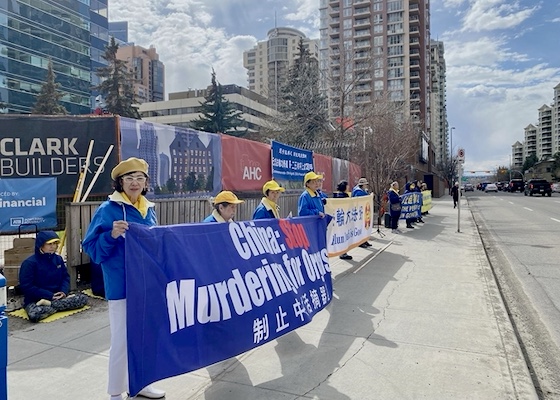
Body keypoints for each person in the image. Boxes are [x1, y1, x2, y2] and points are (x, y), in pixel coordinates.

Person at [82, 157, 165, 400]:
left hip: (147, 285)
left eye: (140, 178)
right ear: (120, 182)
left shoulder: (148, 209)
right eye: (129, 178)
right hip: (122, 285)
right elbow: (91, 247)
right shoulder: (108, 210)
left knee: (146, 336)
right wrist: (111, 234)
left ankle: (141, 384)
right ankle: (116, 392)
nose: (135, 182)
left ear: (146, 183)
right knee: (121, 340)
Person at [19, 231, 88, 322]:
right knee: (35, 314)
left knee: (82, 299)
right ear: (41, 245)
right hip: (37, 300)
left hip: (58, 297)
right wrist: (49, 295)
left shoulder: (58, 259)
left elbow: (65, 277)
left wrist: (63, 292)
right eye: (49, 244)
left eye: (55, 243)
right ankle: (56, 306)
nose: (53, 246)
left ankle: (51, 306)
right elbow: (27, 287)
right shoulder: (29, 263)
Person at [333, 180, 352, 261]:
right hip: (343, 219)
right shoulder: (343, 196)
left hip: (340, 219)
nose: (348, 187)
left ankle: (343, 252)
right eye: (347, 186)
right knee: (343, 235)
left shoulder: (337, 195)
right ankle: (342, 253)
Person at [351, 177, 372, 247]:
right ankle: (360, 242)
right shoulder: (358, 192)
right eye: (365, 184)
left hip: (364, 212)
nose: (366, 186)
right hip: (359, 212)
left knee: (365, 227)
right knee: (360, 227)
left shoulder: (363, 191)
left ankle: (364, 240)